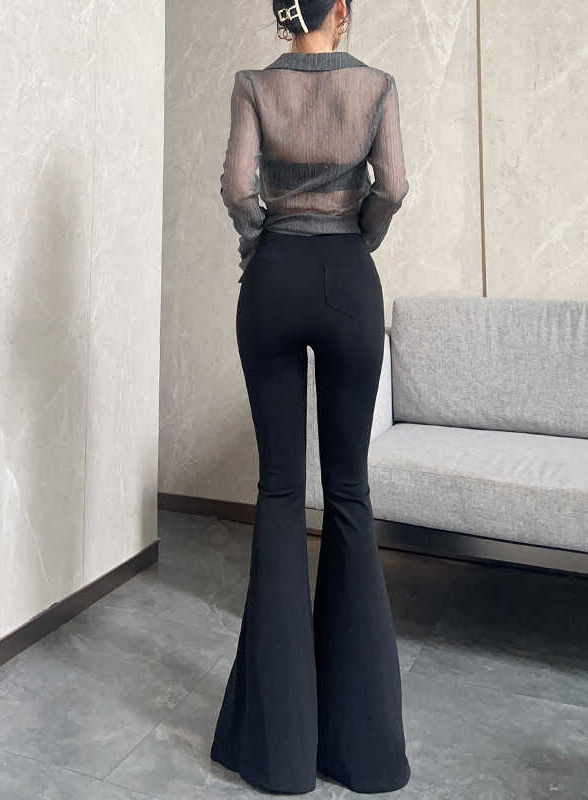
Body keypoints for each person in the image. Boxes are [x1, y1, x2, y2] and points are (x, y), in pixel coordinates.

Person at [210, 0, 411, 794]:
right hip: (347, 281)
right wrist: (360, 235)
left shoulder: (254, 85)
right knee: (350, 495)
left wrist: (260, 238)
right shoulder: (377, 86)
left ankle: (280, 755)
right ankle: (365, 756)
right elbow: (393, 185)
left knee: (279, 494)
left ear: (282, 11)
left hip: (272, 279)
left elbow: (237, 186)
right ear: (344, 11)